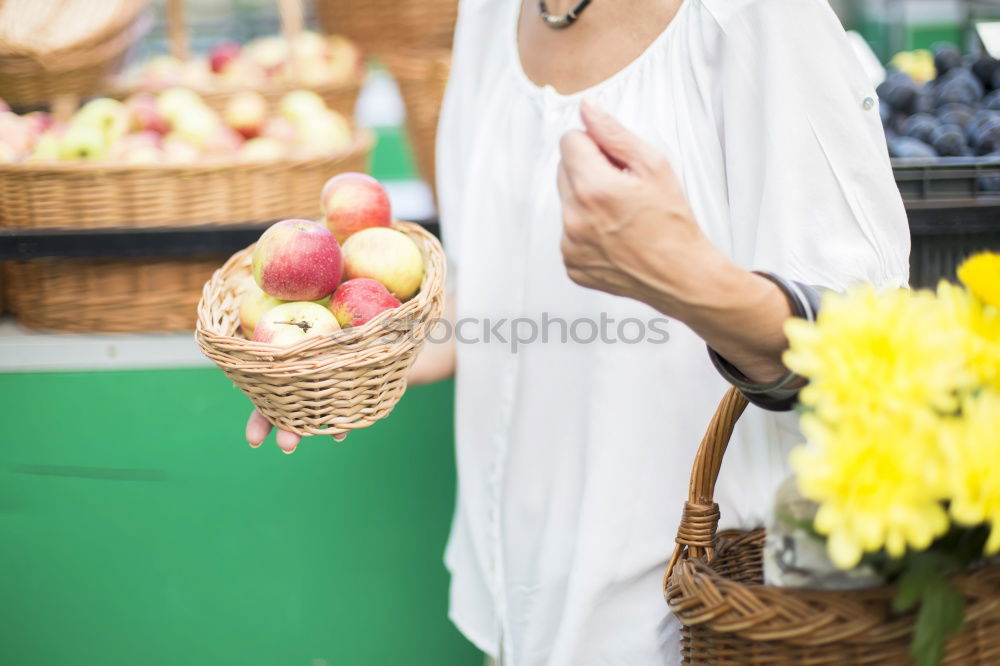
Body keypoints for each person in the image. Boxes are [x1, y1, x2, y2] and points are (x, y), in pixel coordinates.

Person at [246, 0, 911, 663]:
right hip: (519, 601)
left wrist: (685, 277)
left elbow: (872, 355)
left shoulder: (757, 17)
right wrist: (355, 352)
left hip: (698, 620)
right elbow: (492, 283)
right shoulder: (489, 13)